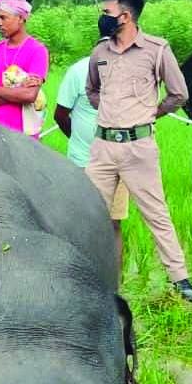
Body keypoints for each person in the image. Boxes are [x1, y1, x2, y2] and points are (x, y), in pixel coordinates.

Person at [85, 0, 192, 299]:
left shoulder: (156, 49)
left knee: (156, 213)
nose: (102, 18)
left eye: (106, 13)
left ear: (126, 15)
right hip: (103, 146)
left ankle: (180, 278)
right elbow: (92, 90)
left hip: (139, 147)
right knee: (90, 214)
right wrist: (110, 111)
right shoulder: (99, 51)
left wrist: (150, 113)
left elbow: (179, 94)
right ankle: (89, 279)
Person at [54, 51, 131, 251]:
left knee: (113, 224)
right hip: (82, 163)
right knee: (79, 224)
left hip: (118, 163)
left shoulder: (131, 72)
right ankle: (80, 277)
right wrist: (80, 140)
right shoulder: (79, 71)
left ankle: (114, 281)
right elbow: (60, 115)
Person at [0, 0, 48, 137]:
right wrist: (18, 95)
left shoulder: (37, 51)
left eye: (3, 18)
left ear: (21, 18)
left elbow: (29, 96)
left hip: (25, 139)